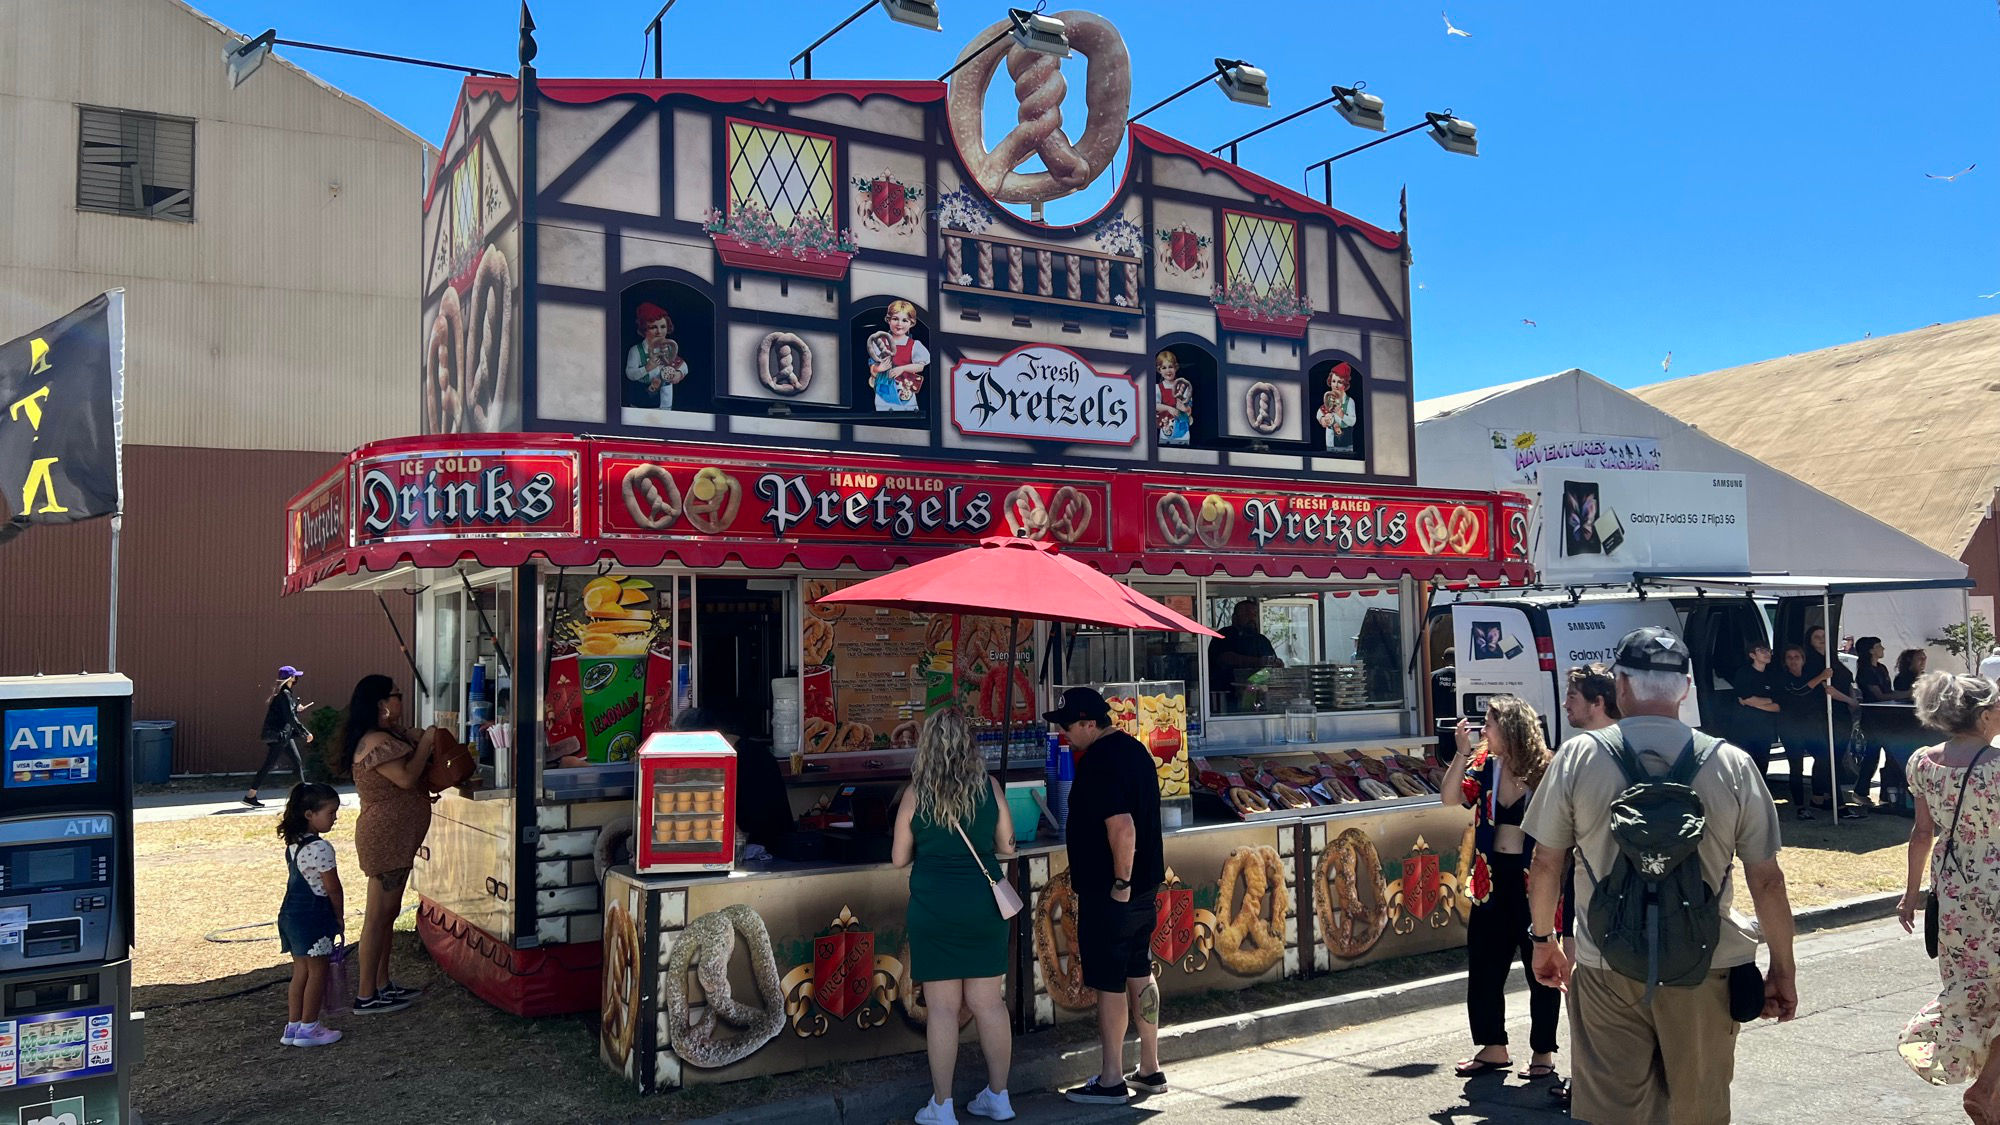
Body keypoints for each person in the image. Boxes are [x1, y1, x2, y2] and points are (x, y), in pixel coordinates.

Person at [1525, 626, 1797, 1125]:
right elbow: (1767, 881)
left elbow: (1546, 862)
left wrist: (1544, 940)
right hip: (1705, 962)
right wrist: (1783, 966)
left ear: (1621, 687)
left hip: (1606, 961)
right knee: (1697, 1110)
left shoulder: (1579, 757)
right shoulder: (1731, 763)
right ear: (1686, 690)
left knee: (1612, 1112)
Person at [892, 707, 1017, 1125]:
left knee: (943, 1009)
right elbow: (1008, 845)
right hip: (983, 908)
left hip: (934, 909)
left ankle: (942, 1106)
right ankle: (999, 1097)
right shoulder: (990, 788)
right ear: (970, 745)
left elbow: (897, 859)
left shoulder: (915, 795)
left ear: (927, 746)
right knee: (989, 1004)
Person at [1046, 688, 1167, 1107]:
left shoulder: (1098, 761)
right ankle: (1150, 1067)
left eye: (1067, 726)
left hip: (1112, 890)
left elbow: (1123, 828)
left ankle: (1112, 1078)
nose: (1063, 734)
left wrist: (1119, 883)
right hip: (1146, 886)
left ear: (1088, 723)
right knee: (1139, 967)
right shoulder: (1135, 750)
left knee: (1110, 981)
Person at [1896, 671, 2000, 1122]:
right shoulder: (1997, 765)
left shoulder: (1923, 761)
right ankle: (1989, 1090)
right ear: (1984, 714)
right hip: (1996, 887)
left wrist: (1910, 895)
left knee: (1975, 990)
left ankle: (1989, 1089)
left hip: (1954, 892)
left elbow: (1922, 833)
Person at [1441, 696, 1560, 1083]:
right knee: (1485, 964)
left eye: (1489, 724)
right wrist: (1461, 754)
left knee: (1539, 966)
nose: (1483, 731)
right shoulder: (1484, 763)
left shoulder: (1547, 766)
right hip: (1490, 878)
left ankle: (1543, 1052)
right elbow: (1449, 797)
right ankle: (1493, 1046)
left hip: (1535, 878)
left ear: (1510, 728)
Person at [338, 674, 433, 1015]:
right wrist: (427, 742)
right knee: (378, 918)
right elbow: (406, 778)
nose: (401, 701)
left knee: (388, 915)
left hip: (397, 835)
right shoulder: (377, 741)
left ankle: (382, 984)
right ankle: (366, 994)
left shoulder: (386, 737)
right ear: (382, 703)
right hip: (386, 837)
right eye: (397, 696)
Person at [1551, 664, 1619, 1111]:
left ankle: (1591, 1085)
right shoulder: (1637, 745)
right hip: (1615, 895)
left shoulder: (1578, 755)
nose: (1564, 704)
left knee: (1586, 1001)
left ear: (1597, 702)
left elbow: (1550, 850)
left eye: (1572, 697)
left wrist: (1547, 933)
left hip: (1593, 897)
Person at [276, 782, 345, 1048]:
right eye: (330, 813)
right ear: (309, 814)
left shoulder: (294, 845)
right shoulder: (321, 848)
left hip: (291, 915)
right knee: (319, 972)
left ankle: (293, 1025)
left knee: (301, 970)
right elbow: (333, 887)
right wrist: (339, 916)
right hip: (314, 917)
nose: (335, 818)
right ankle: (310, 1026)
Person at [673, 707, 794, 854]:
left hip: (769, 847)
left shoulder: (748, 760)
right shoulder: (746, 752)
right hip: (762, 842)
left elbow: (754, 819)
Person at [1775, 644, 1833, 819]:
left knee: (1823, 758)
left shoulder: (1809, 675)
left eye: (1796, 657)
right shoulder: (1783, 678)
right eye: (1789, 658)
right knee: (1796, 766)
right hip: (1790, 728)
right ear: (1785, 662)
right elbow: (1799, 691)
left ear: (1803, 659)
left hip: (1811, 727)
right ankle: (1800, 805)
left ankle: (1817, 796)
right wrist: (1821, 677)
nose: (1793, 661)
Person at [245, 666, 314, 808]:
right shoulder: (285, 694)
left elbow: (287, 713)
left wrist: (296, 708)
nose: (297, 679)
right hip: (280, 735)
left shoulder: (284, 694)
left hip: (284, 735)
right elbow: (290, 717)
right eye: (295, 676)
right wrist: (305, 733)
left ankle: (302, 796)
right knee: (271, 764)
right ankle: (250, 795)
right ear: (290, 678)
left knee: (296, 762)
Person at [1210, 601, 1280, 711]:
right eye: (1247, 614)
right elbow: (1225, 658)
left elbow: (1270, 667)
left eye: (1254, 615)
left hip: (1258, 695)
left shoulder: (1261, 640)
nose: (1251, 618)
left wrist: (1276, 664)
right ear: (1235, 618)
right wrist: (1258, 662)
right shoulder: (1224, 635)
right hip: (1226, 696)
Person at [1730, 642, 1782, 777]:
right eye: (1761, 650)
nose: (1767, 653)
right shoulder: (1744, 673)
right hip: (1744, 730)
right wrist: (1767, 701)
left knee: (1762, 767)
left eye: (1768, 650)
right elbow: (1747, 698)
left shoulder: (1772, 675)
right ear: (1752, 655)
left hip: (1765, 731)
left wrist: (1754, 703)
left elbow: (1778, 706)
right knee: (1745, 767)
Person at [624, 302, 688, 410]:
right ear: (644, 329)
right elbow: (630, 374)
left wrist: (679, 373)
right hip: (643, 402)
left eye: (663, 327)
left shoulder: (668, 349)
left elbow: (681, 364)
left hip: (665, 401)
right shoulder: (636, 351)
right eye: (653, 327)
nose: (659, 332)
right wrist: (647, 368)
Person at [869, 300, 930, 411]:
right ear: (888, 320)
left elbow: (920, 366)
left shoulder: (914, 345)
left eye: (904, 320)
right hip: (884, 391)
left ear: (911, 323)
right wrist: (879, 368)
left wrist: (902, 368)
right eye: (895, 319)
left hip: (906, 391)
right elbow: (872, 366)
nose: (899, 324)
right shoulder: (880, 342)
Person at [1154, 349, 1192, 447]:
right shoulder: (1158, 388)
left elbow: (1189, 408)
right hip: (1166, 425)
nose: (1168, 371)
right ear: (1159, 370)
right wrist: (1168, 408)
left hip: (1181, 427)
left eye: (1170, 367)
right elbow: (1155, 405)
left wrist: (1184, 408)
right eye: (1164, 368)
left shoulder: (1183, 386)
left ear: (1175, 368)